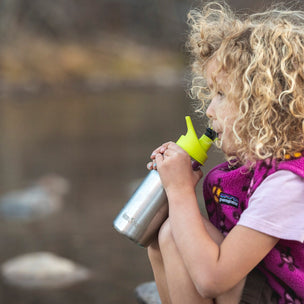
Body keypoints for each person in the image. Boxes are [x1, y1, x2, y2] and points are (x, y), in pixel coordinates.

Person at [146, 1, 304, 303]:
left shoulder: (287, 185)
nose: (209, 109)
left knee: (177, 236)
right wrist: (169, 192)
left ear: (263, 104)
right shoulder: (254, 168)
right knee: (167, 234)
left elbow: (212, 280)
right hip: (264, 286)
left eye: (221, 94)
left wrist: (180, 192)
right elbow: (167, 246)